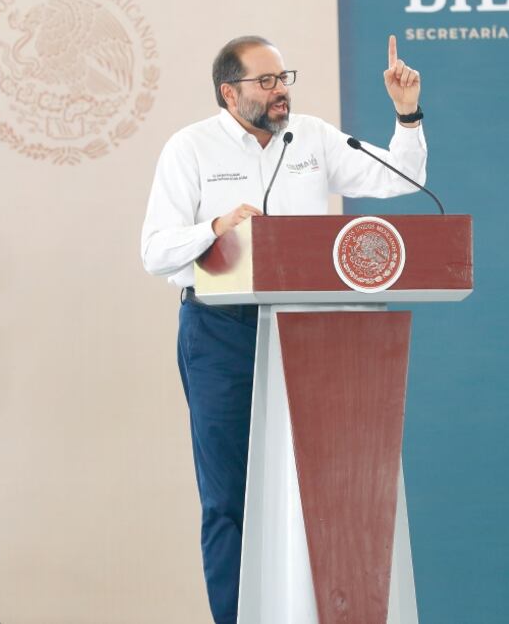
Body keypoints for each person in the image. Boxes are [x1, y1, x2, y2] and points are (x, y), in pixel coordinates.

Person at [140, 34, 427, 624]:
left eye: (283, 78)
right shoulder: (190, 147)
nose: (280, 91)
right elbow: (155, 250)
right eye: (266, 81)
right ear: (229, 92)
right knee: (229, 496)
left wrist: (407, 115)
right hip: (222, 331)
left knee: (322, 490)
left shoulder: (312, 137)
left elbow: (401, 178)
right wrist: (216, 227)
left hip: (309, 329)